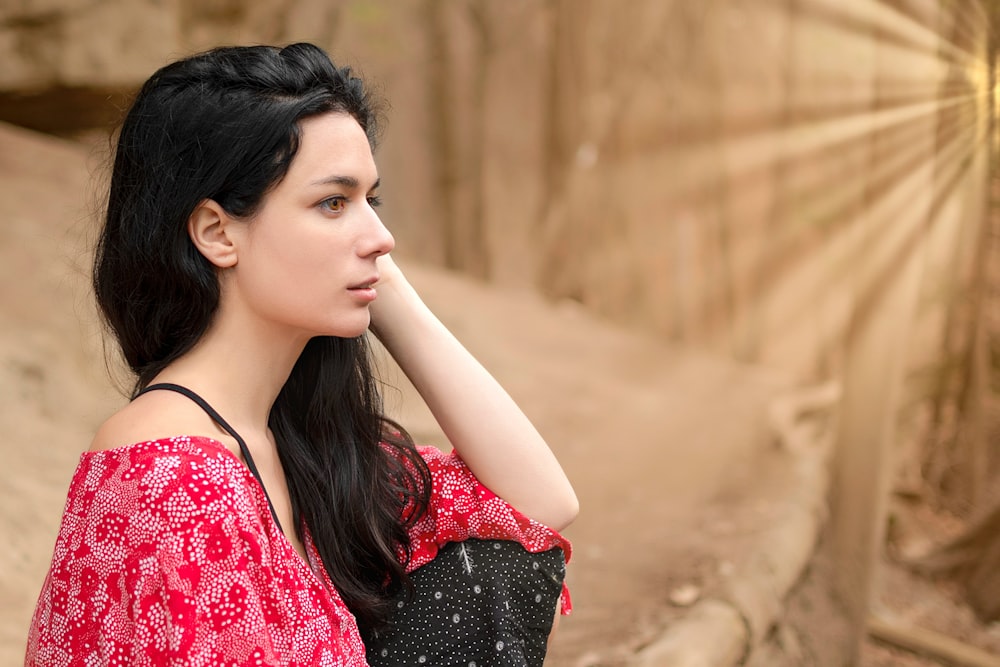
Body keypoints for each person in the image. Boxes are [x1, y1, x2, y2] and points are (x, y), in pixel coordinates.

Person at [25, 42, 577, 666]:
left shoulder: (295, 447)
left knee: (489, 569)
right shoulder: (180, 482)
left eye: (373, 201)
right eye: (332, 202)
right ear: (216, 233)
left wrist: (380, 283)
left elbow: (539, 506)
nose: (382, 238)